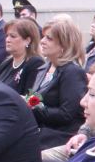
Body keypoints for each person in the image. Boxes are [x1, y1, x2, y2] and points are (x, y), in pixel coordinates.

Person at [28, 16, 88, 149]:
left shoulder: (72, 72)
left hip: (59, 136)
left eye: (49, 38)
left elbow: (66, 114)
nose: (42, 41)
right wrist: (28, 102)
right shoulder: (44, 68)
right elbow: (35, 99)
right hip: (39, 130)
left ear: (64, 45)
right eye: (43, 37)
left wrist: (33, 106)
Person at [0, 17, 46, 97]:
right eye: (7, 36)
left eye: (13, 36)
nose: (7, 40)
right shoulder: (5, 64)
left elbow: (30, 97)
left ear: (27, 40)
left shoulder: (35, 63)